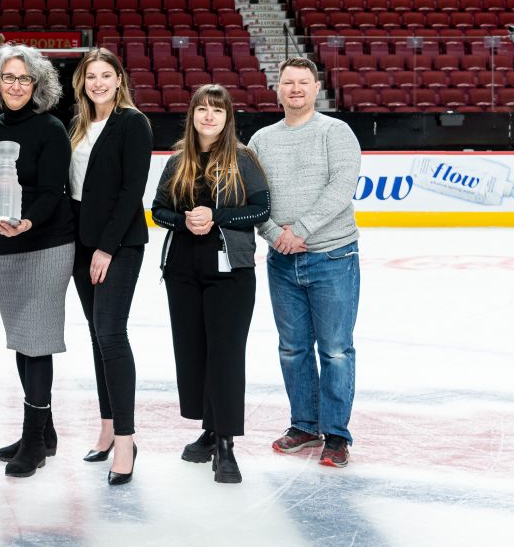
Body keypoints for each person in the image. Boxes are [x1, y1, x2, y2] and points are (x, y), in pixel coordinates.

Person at [151, 84, 270, 484]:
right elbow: (158, 211)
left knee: (225, 354)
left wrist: (217, 216)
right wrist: (182, 220)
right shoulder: (178, 161)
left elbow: (261, 208)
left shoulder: (243, 160)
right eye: (201, 109)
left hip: (231, 271)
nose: (208, 116)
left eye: (216, 110)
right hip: (183, 269)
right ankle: (208, 429)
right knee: (195, 352)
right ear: (192, 116)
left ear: (227, 117)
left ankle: (225, 444)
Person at [247, 56, 361, 468]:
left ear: (316, 88)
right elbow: (255, 198)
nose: (295, 89)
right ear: (277, 89)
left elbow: (342, 186)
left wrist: (302, 231)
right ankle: (305, 425)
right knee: (293, 348)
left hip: (333, 255)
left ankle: (335, 435)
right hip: (281, 259)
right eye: (287, 82)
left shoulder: (336, 132)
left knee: (334, 350)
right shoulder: (261, 140)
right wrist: (278, 236)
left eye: (303, 82)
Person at [0, 44, 74, 478]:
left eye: (24, 78)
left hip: (47, 244)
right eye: (8, 77)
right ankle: (42, 429)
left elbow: (53, 192)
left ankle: (34, 439)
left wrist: (27, 222)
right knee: (21, 338)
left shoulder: (51, 128)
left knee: (38, 339)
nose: (15, 85)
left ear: (38, 85)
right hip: (1, 245)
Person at [67, 48, 152, 485]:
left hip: (117, 245)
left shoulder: (133, 123)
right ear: (82, 82)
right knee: (97, 335)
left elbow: (130, 191)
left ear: (119, 80)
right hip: (83, 245)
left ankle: (125, 439)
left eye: (106, 75)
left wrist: (106, 248)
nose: (98, 82)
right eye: (90, 76)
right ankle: (105, 427)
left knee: (112, 335)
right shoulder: (79, 125)